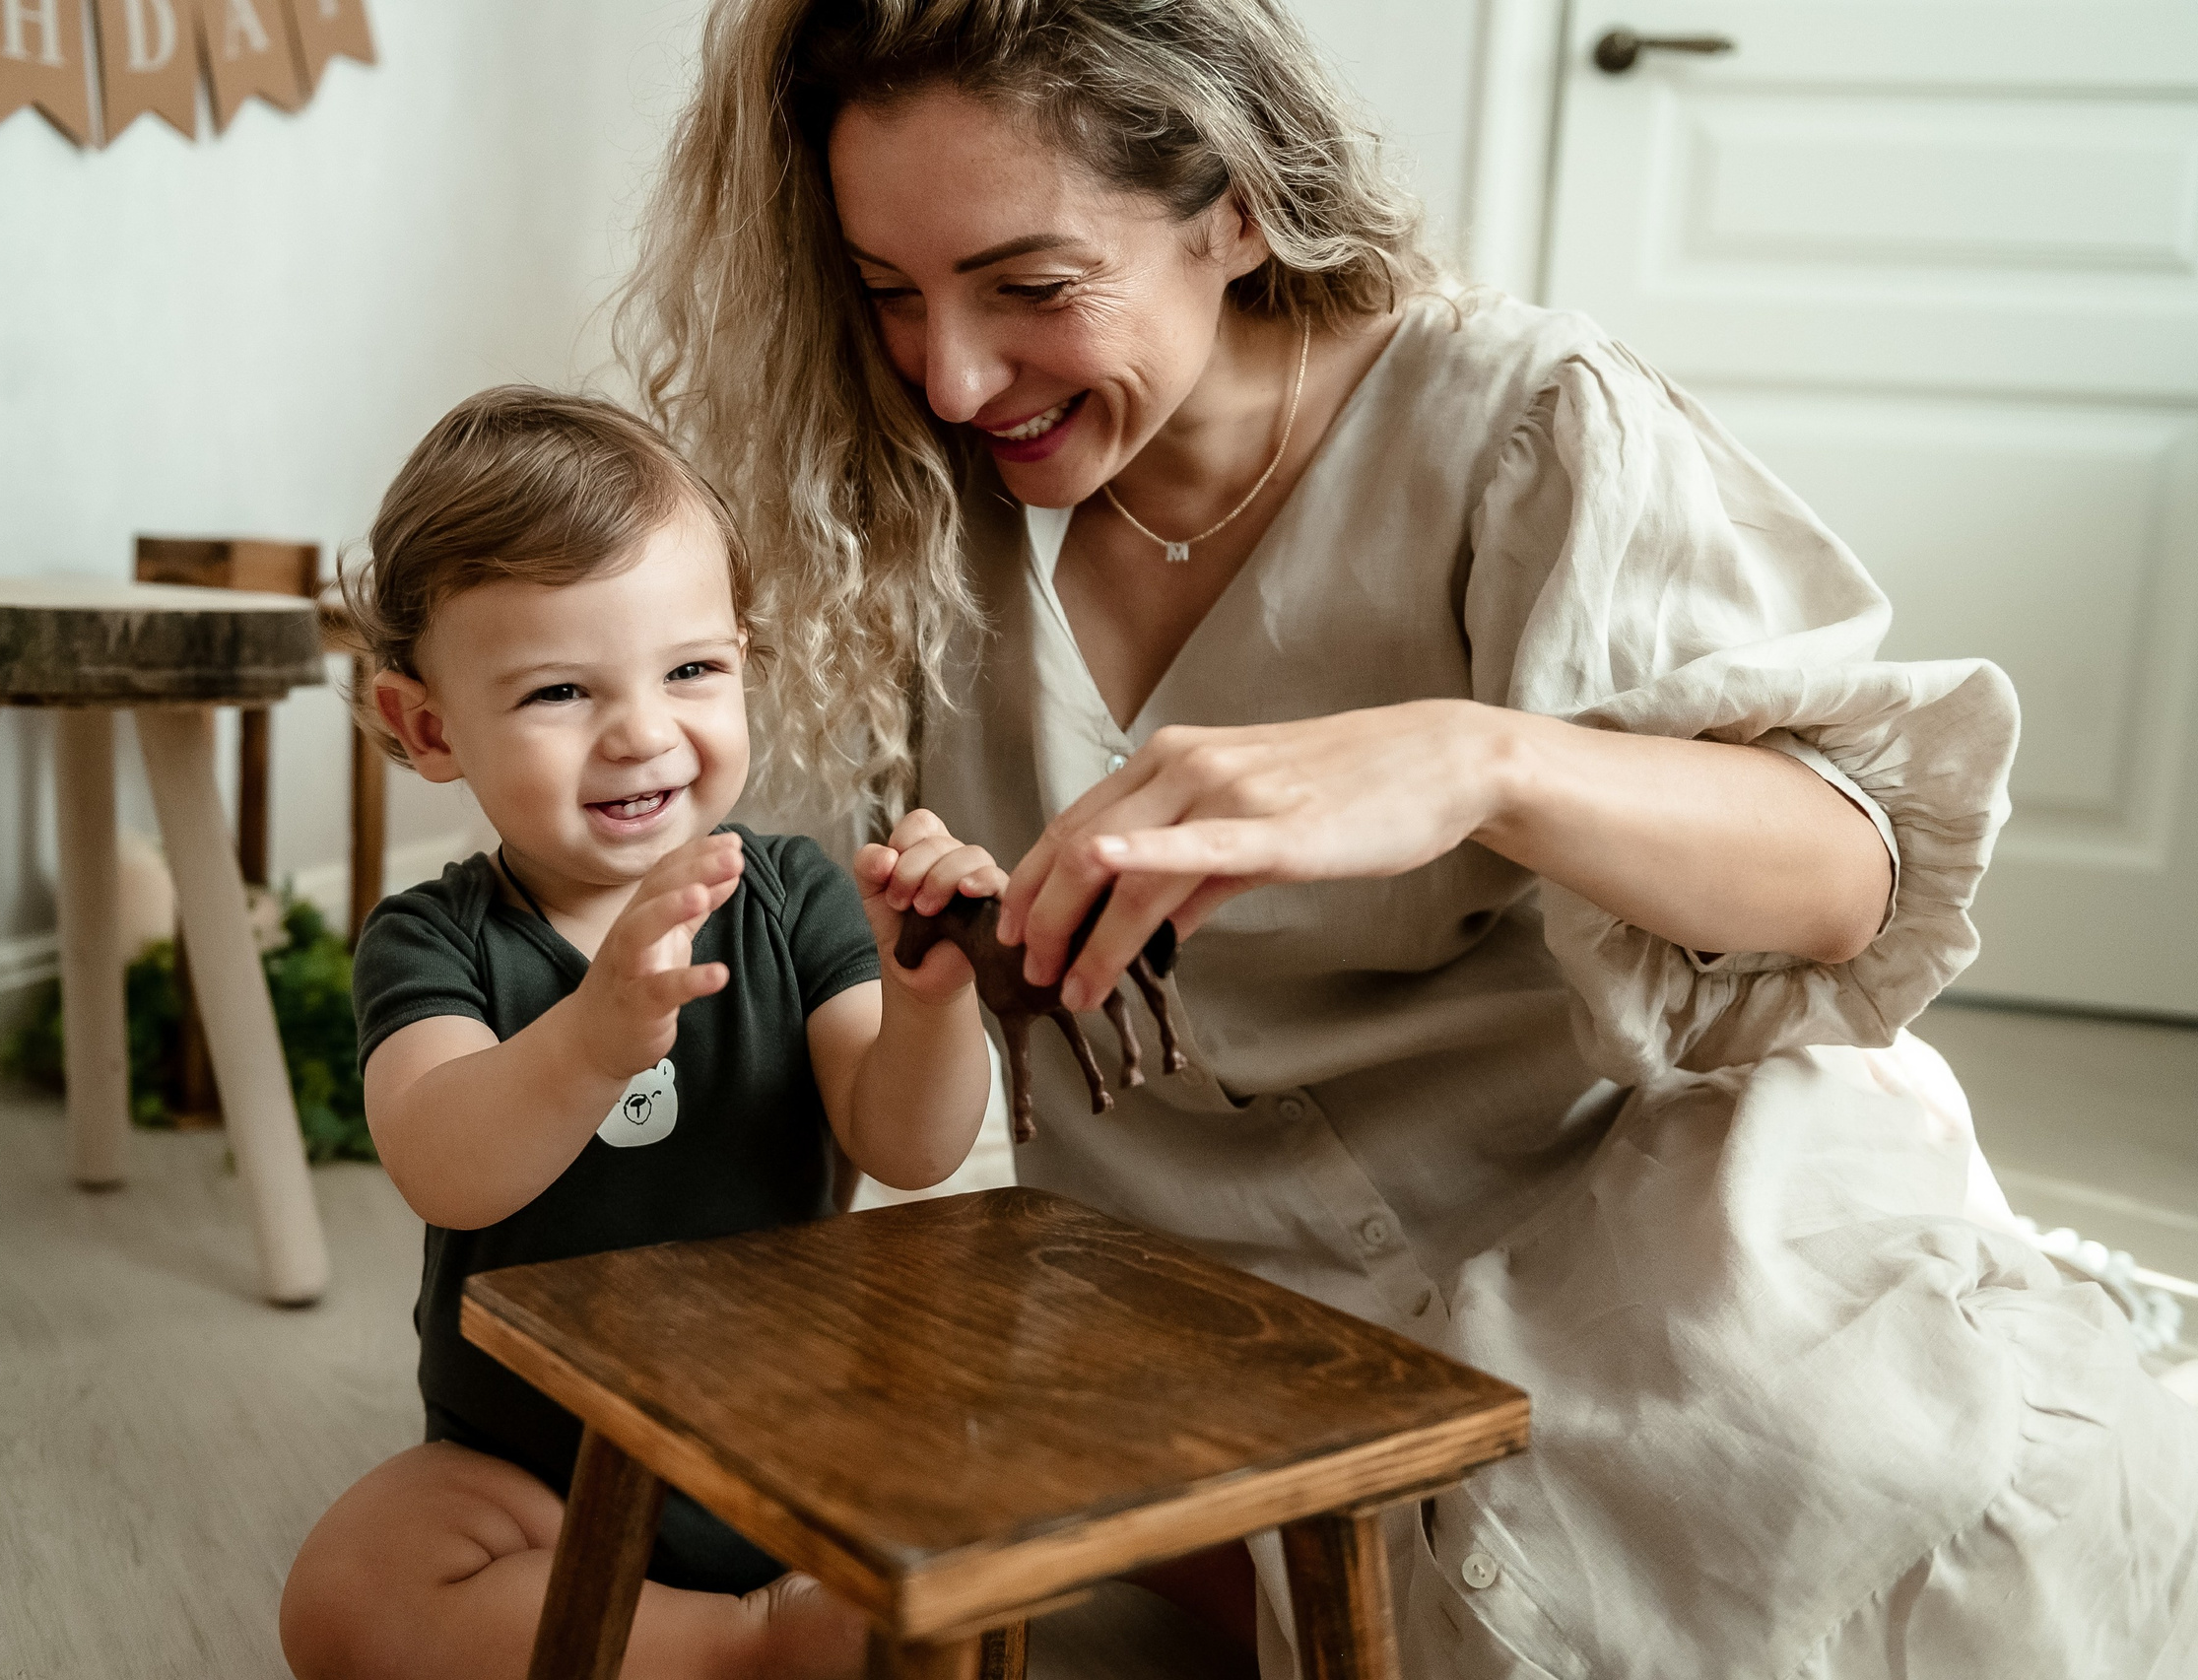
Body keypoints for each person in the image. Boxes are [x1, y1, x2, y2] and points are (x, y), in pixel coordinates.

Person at [618, 1, 2198, 1674]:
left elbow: (1849, 874)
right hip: (1199, 1302)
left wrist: (1482, 761)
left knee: (1840, 1494)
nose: (950, 371)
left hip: (1623, 1206)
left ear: (1231, 207)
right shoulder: (897, 522)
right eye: (890, 293)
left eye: (1032, 287)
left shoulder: (1524, 426)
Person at [278, 386, 1003, 1680]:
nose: (642, 730)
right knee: (347, 1592)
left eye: (691, 670)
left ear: (743, 660)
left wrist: (931, 998)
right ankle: (741, 1648)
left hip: (788, 1445)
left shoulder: (797, 897)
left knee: (976, 1496)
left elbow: (911, 1138)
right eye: (560, 688)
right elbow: (444, 1160)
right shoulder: (433, 938)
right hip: (530, 1467)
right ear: (428, 728)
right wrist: (593, 1031)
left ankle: (704, 1637)